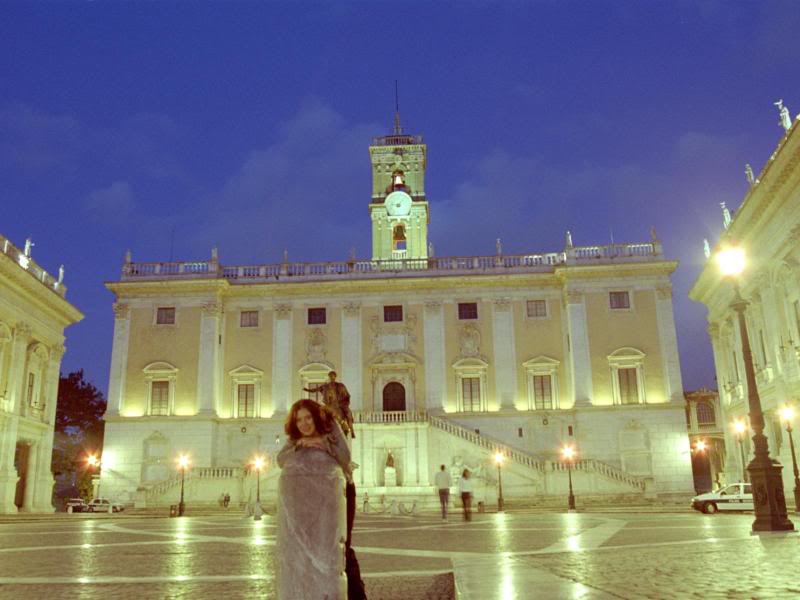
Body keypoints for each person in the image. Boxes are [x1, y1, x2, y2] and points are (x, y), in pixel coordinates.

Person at [276, 399, 351, 600]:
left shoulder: (330, 428)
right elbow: (280, 460)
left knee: (339, 549)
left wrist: (323, 444)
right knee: (303, 549)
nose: (304, 423)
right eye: (299, 419)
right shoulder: (294, 438)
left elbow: (345, 456)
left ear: (316, 416)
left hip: (335, 495)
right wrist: (300, 445)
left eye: (308, 417)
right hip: (304, 498)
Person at [304, 371, 355, 439]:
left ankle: (351, 430)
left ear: (335, 377)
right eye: (330, 376)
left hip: (340, 404)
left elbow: (346, 395)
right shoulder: (326, 386)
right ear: (329, 377)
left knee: (348, 412)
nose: (332, 377)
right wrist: (307, 390)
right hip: (330, 404)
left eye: (333, 376)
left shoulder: (340, 385)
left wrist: (344, 402)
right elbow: (316, 389)